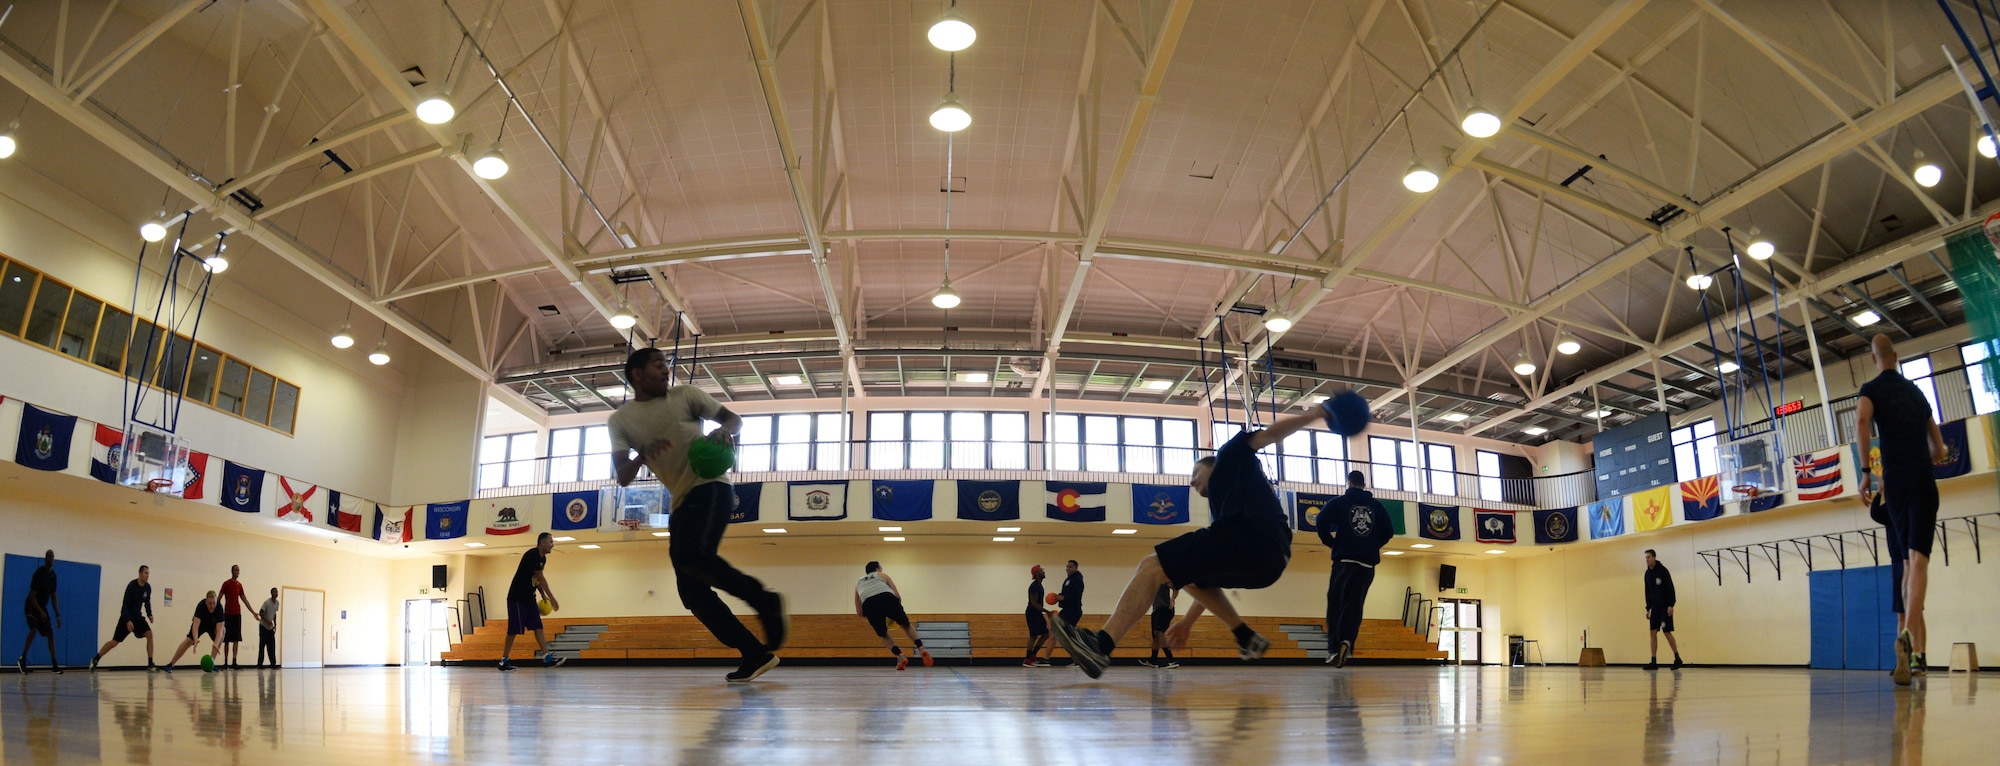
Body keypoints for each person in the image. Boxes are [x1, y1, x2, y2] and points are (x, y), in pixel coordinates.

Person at [1050, 405, 1328, 678]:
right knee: (1189, 578)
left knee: (1151, 566)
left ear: (1211, 467)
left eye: (1195, 474)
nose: (1192, 483)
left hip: (1254, 538)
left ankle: (1101, 644)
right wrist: (1186, 622)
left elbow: (1270, 435)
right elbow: (1209, 579)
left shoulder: (1230, 456)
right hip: (1270, 564)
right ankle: (1244, 635)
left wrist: (1313, 415)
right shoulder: (1228, 505)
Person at [612, 347, 786, 683]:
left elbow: (733, 419)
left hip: (711, 488)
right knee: (692, 593)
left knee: (692, 557)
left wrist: (726, 431)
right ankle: (753, 652)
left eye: (666, 365)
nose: (666, 371)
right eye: (658, 365)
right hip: (680, 501)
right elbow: (622, 475)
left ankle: (764, 600)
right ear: (637, 374)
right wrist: (642, 455)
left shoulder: (686, 395)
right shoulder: (621, 421)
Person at [1856, 333, 1950, 686]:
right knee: (1919, 560)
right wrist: (1920, 457)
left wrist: (1866, 472)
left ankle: (1907, 638)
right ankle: (1909, 635)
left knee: (1907, 564)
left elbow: (1863, 421)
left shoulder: (1871, 388)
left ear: (1873, 358)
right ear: (1896, 356)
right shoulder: (1917, 393)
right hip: (1922, 478)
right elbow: (1938, 449)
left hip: (1893, 480)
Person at [1318, 470, 1394, 667]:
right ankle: (1347, 640)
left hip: (1344, 560)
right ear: (1364, 483)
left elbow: (1320, 521)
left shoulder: (1339, 502)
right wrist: (1372, 545)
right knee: (1354, 604)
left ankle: (1334, 648)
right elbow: (1388, 531)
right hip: (1367, 564)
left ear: (1349, 482)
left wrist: (1331, 542)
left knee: (1336, 603)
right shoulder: (1377, 506)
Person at [499, 533, 566, 671]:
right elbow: (541, 578)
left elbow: (535, 579)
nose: (552, 545)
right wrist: (552, 598)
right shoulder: (532, 555)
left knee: (538, 626)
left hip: (530, 598)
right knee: (513, 630)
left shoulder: (543, 558)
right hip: (517, 597)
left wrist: (542, 595)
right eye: (550, 542)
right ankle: (503, 660)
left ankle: (547, 658)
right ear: (542, 542)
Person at [853, 562, 931, 670]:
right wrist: (895, 611)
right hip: (887, 597)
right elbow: (897, 596)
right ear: (877, 569)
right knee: (906, 625)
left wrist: (872, 615)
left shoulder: (858, 582)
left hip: (869, 603)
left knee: (883, 634)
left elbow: (859, 611)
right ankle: (921, 647)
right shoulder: (882, 576)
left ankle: (900, 655)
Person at [92, 565, 157, 671]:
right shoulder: (132, 586)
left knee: (150, 635)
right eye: (146, 573)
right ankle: (95, 659)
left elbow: (147, 602)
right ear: (140, 574)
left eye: (148, 573)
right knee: (115, 642)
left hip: (138, 618)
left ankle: (150, 664)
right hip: (126, 618)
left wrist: (150, 614)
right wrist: (127, 621)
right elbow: (125, 605)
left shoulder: (147, 588)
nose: (147, 575)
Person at [17, 549, 63, 674]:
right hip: (31, 606)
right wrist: (40, 612)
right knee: (34, 629)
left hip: (42, 607)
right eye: (49, 556)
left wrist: (57, 614)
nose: (52, 558)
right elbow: (32, 596)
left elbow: (53, 596)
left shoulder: (53, 576)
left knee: (50, 633)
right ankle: (23, 659)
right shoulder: (39, 574)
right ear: (45, 559)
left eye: (53, 556)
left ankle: (54, 665)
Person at [163, 590, 223, 673]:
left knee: (223, 631)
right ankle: (171, 664)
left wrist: (215, 644)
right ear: (206, 602)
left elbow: (220, 629)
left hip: (212, 625)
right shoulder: (201, 606)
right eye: (210, 603)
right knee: (188, 641)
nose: (212, 606)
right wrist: (195, 639)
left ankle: (211, 663)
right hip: (201, 624)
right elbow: (195, 625)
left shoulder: (219, 607)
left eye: (214, 603)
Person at [1643, 549, 1681, 669]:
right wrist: (1648, 608)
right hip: (1654, 608)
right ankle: (1653, 661)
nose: (1646, 559)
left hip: (1665, 607)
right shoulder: (1647, 574)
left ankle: (1677, 658)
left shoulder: (1663, 571)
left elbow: (1670, 588)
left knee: (1666, 631)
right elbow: (1647, 592)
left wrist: (1671, 605)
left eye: (1648, 557)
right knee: (1652, 633)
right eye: (1645, 558)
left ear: (1654, 557)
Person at [218, 565, 256, 670]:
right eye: (236, 570)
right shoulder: (226, 584)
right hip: (227, 615)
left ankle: (234, 662)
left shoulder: (239, 585)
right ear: (232, 571)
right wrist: (217, 613)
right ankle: (225, 662)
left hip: (237, 615)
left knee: (236, 639)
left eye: (239, 570)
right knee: (226, 639)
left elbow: (245, 600)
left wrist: (253, 612)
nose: (237, 572)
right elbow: (219, 598)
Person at [1139, 583, 1178, 669]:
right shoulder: (1152, 584)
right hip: (1156, 610)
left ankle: (1172, 660)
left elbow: (1176, 588)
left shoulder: (1162, 579)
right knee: (1155, 635)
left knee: (1159, 633)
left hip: (1164, 608)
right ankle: (1153, 660)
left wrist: (1172, 599)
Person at [1022, 565, 1052, 668]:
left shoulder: (1039, 585)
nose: (1043, 572)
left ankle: (1033, 654)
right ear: (1037, 573)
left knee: (1045, 634)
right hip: (1032, 612)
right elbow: (1033, 603)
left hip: (1037, 612)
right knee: (1033, 635)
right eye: (1041, 570)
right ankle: (1027, 659)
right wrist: (1047, 611)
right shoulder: (1034, 586)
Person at [256, 588, 281, 668]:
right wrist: (267, 621)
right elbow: (261, 613)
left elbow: (274, 614)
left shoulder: (277, 603)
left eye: (277, 592)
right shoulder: (267, 602)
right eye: (274, 592)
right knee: (262, 646)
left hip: (270, 627)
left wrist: (275, 625)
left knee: (272, 646)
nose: (276, 593)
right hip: (263, 626)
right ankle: (260, 664)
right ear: (271, 593)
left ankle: (273, 663)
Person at [1057, 560, 1084, 628]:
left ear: (1076, 568)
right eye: (1067, 567)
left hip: (1073, 610)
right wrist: (1059, 596)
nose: (1068, 569)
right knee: (1056, 628)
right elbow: (1066, 593)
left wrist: (1064, 598)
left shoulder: (1078, 580)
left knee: (1065, 632)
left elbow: (1076, 596)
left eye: (1070, 567)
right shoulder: (1068, 579)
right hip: (1066, 609)